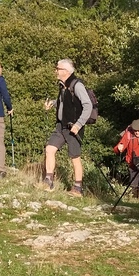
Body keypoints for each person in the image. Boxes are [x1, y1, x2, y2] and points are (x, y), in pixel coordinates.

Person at [42, 59, 93, 196]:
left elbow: (88, 105)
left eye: (57, 69)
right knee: (49, 149)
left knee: (74, 157)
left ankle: (78, 188)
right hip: (61, 126)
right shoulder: (63, 85)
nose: (55, 71)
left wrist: (78, 124)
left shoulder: (77, 85)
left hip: (73, 128)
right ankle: (48, 182)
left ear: (65, 71)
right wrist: (53, 103)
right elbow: (64, 102)